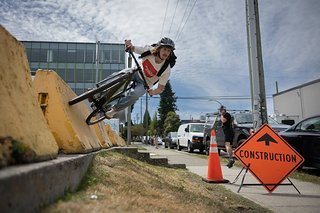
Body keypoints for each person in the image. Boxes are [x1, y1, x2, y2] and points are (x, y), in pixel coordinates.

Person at [105, 37, 175, 119]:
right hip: (135, 72)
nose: (166, 52)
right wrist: (129, 45)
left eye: (168, 51)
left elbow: (160, 88)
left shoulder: (166, 69)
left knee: (135, 95)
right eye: (164, 49)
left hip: (145, 84)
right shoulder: (149, 50)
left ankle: (114, 110)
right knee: (120, 75)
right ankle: (98, 93)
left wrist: (153, 92)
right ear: (159, 49)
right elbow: (134, 48)